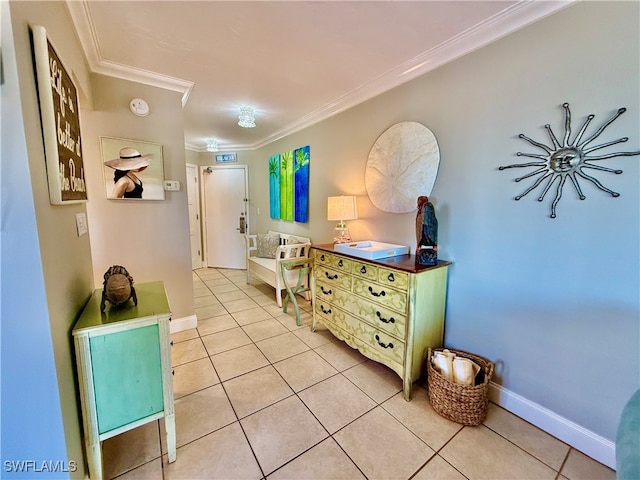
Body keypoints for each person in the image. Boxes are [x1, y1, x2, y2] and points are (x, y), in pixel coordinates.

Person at [416, 195, 438, 266]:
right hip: (425, 230)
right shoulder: (421, 210)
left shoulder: (427, 207)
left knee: (431, 245)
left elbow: (426, 222)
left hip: (427, 230)